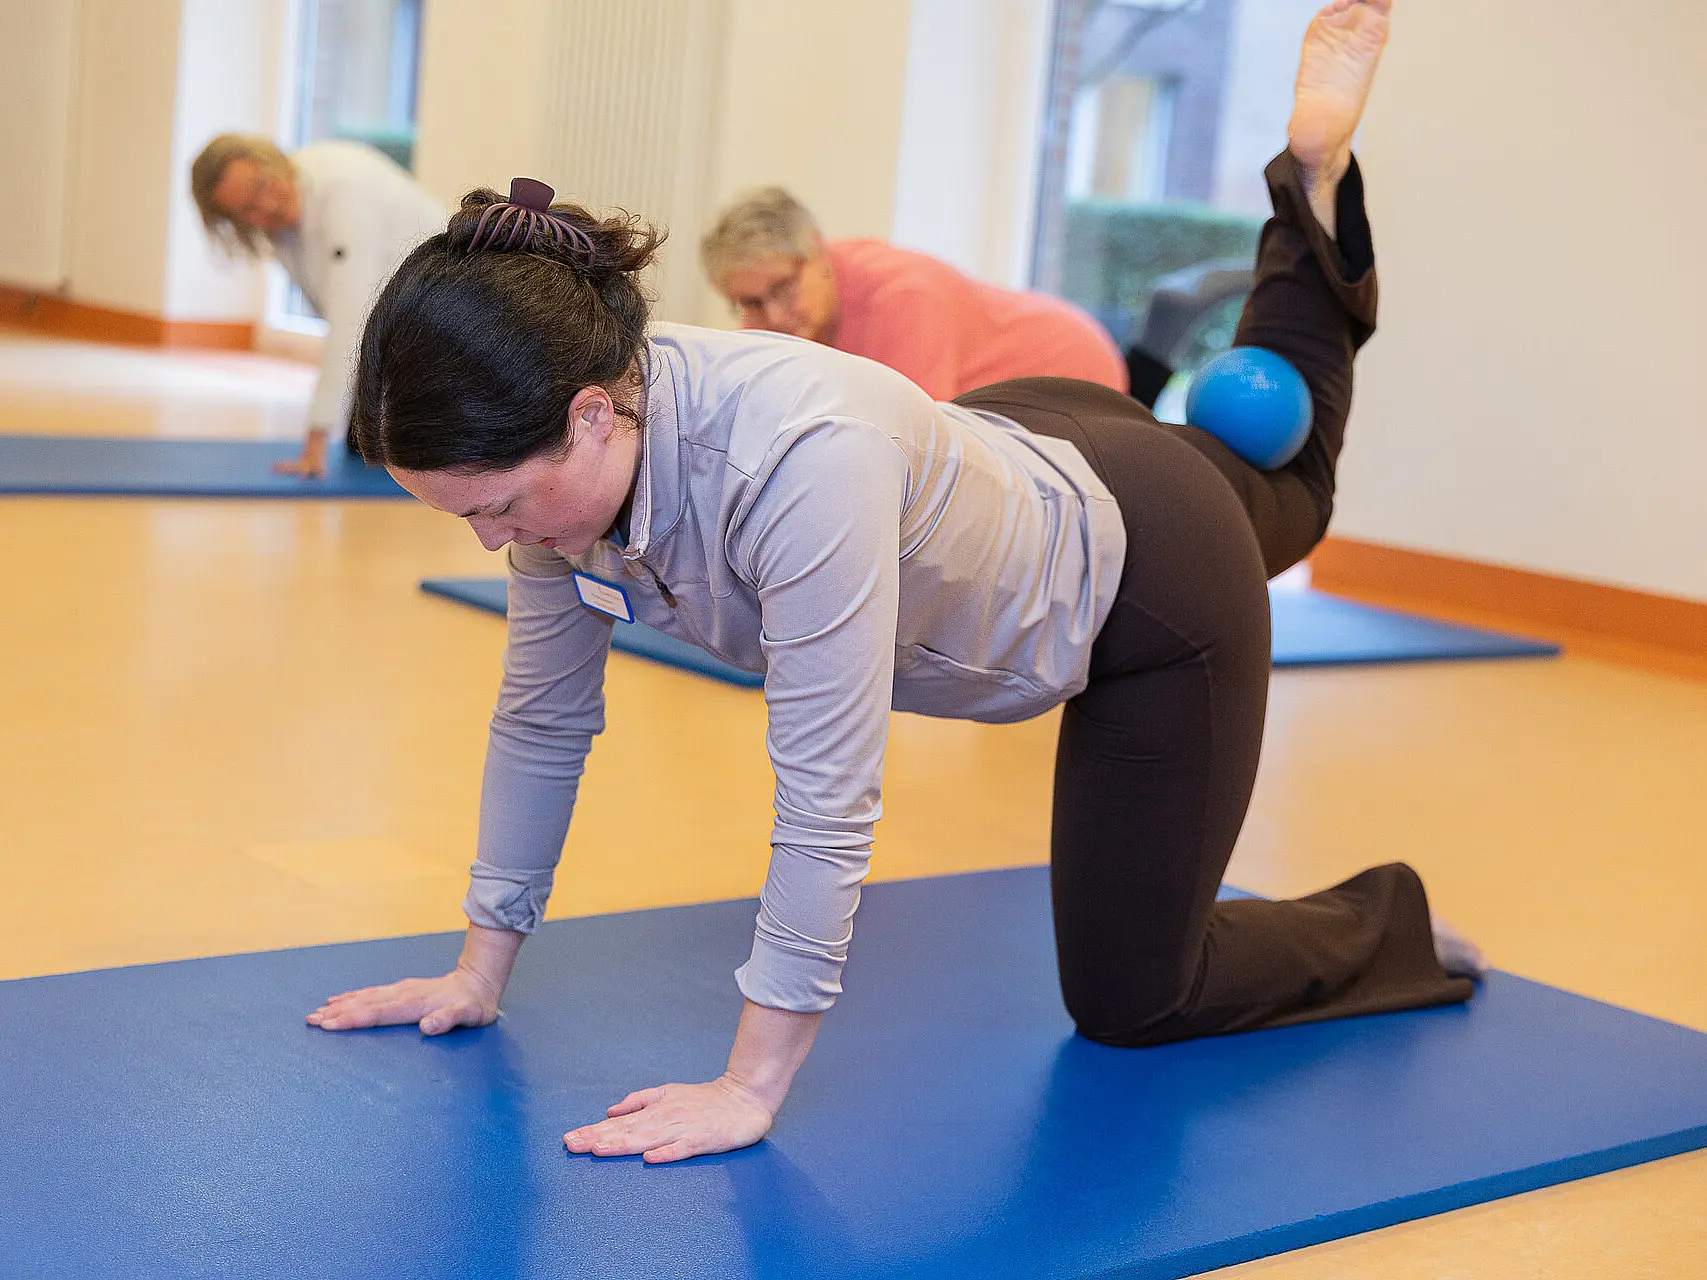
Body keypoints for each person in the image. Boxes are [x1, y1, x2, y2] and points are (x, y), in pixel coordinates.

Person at [311, 0, 1481, 1165]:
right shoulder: (564, 414)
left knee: (1139, 993)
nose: (492, 541)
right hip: (1012, 444)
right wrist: (478, 968)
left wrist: (748, 1084)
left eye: (497, 507)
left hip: (1148, 577)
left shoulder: (800, 466)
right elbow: (542, 718)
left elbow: (825, 793)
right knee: (1257, 458)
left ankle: (1391, 919)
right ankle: (1314, 198)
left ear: (589, 418)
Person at [701, 189, 1132, 402]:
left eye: (783, 288)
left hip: (1074, 375)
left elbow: (916, 453)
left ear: (817, 251)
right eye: (751, 303)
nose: (774, 316)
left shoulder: (902, 299)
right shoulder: (791, 309)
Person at [189, 135, 446, 479]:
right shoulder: (282, 229)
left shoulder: (342, 190)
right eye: (248, 210)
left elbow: (351, 317)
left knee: (404, 448)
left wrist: (317, 439)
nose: (266, 206)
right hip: (401, 325)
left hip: (447, 323)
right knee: (364, 445)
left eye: (262, 186)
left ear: (271, 160)